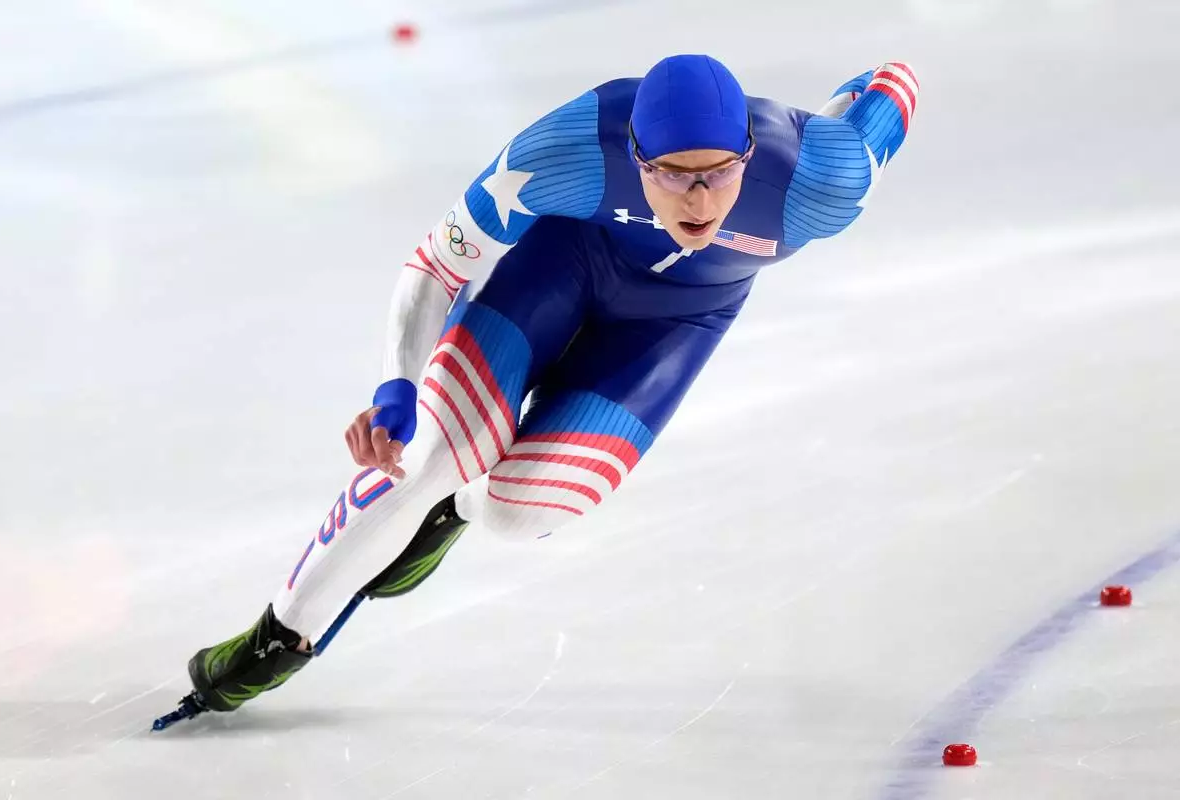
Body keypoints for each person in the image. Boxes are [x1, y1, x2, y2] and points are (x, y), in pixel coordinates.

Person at [184, 54, 920, 714]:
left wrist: (826, 118)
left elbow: (894, 83)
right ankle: (275, 640)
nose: (699, 201)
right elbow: (435, 266)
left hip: (676, 324)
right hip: (563, 270)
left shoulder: (821, 182)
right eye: (671, 176)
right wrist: (396, 390)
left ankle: (455, 512)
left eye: (720, 173)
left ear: (749, 153)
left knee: (508, 508)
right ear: (634, 157)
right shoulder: (567, 150)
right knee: (427, 456)